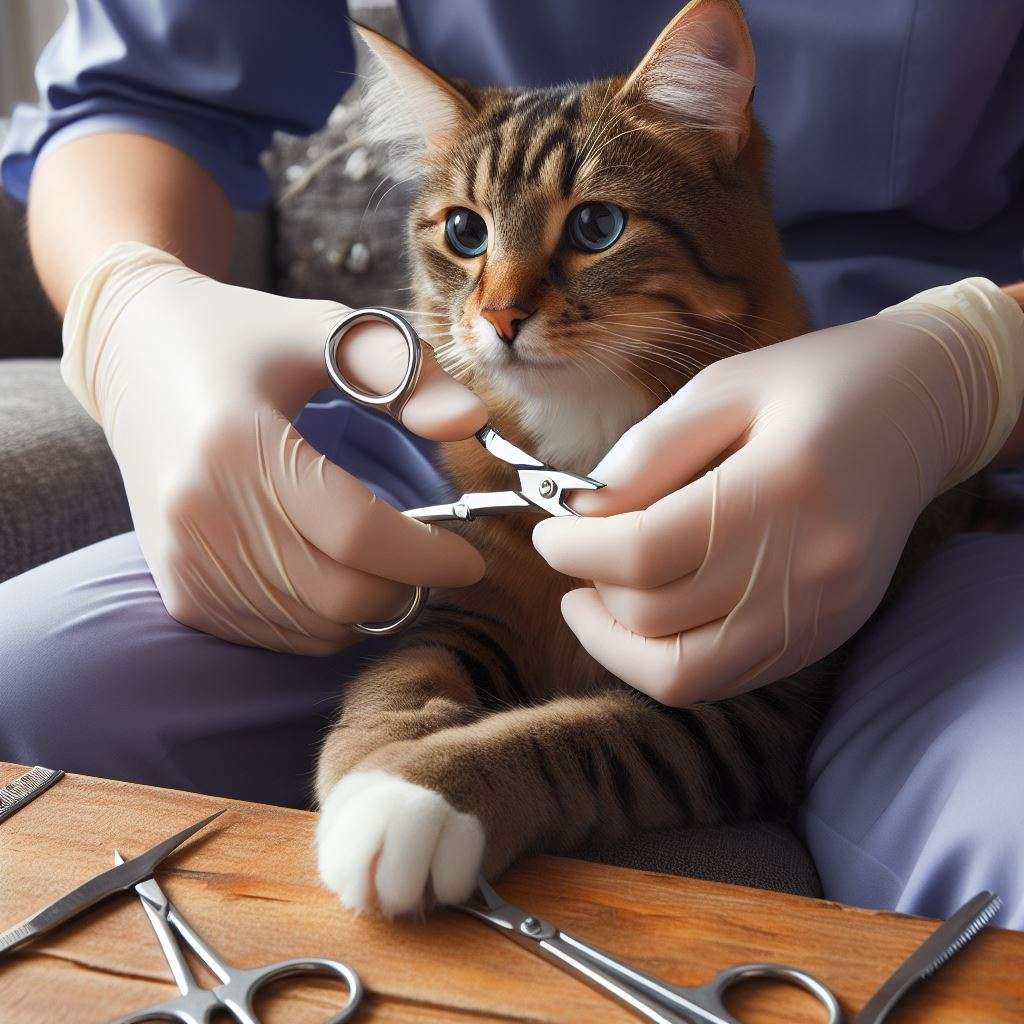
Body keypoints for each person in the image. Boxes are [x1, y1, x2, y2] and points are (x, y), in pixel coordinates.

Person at [2, 1, 1023, 928]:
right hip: (450, 447)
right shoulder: (475, 346)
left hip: (913, 446)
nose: (503, 300)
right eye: (464, 235)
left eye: (590, 228)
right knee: (30, 682)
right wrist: (134, 313)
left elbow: (734, 727)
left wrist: (977, 363)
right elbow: (135, 92)